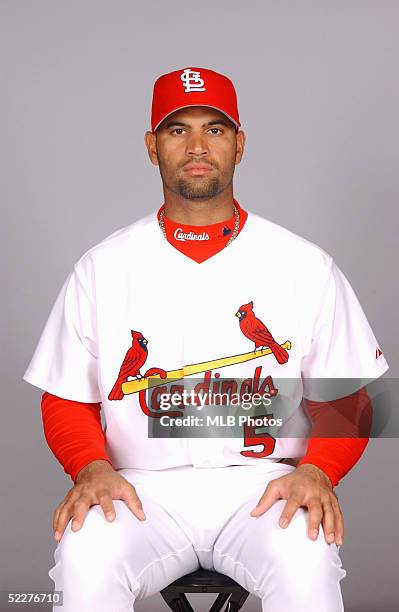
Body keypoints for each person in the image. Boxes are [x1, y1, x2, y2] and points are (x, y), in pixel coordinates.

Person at [23, 66, 389, 612]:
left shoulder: (303, 264)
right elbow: (65, 396)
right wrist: (91, 468)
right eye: (177, 130)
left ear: (240, 145)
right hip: (139, 489)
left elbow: (351, 396)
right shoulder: (102, 268)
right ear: (152, 146)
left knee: (306, 556)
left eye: (215, 129)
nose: (197, 145)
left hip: (264, 486)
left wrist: (318, 471)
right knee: (85, 553)